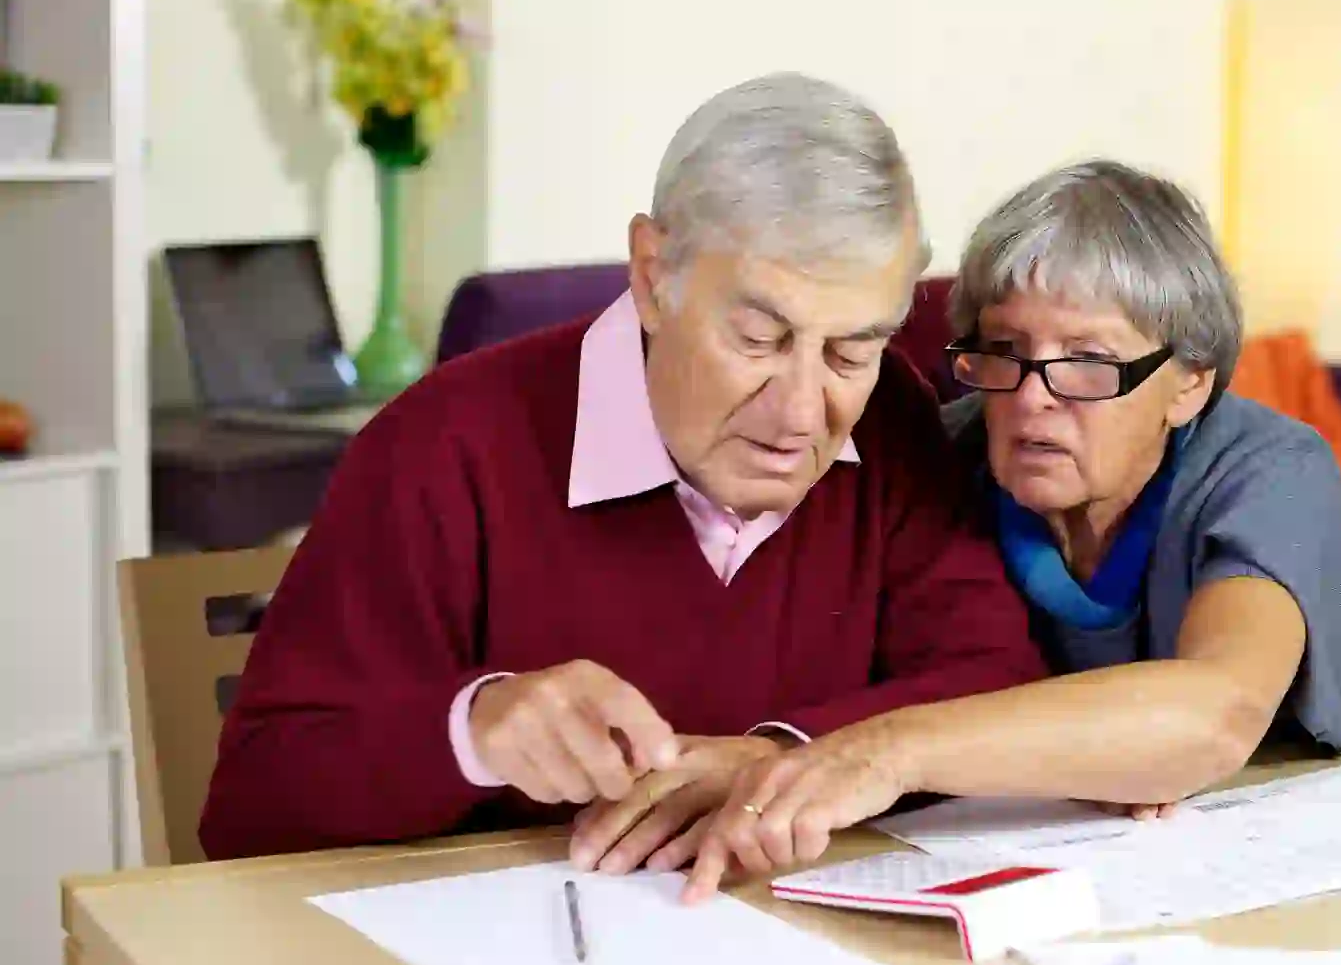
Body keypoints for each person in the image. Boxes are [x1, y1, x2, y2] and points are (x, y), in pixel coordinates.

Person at [196, 74, 1050, 861]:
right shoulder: (441, 444)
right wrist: (471, 729)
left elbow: (997, 685)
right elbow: (253, 803)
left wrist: (781, 760)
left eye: (850, 352)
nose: (801, 412)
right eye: (758, 339)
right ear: (652, 275)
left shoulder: (894, 418)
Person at [626, 159, 1341, 903]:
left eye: (1088, 362)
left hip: (1244, 860)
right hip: (997, 854)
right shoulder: (943, 457)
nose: (1032, 400)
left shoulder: (1267, 471)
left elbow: (1219, 709)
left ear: (1191, 383)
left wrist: (885, 751)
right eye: (1006, 352)